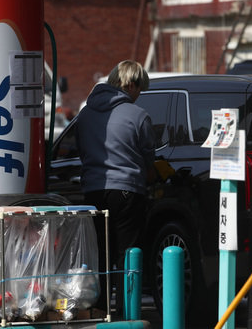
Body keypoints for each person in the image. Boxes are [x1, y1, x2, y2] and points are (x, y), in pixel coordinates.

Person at [75, 60, 156, 317]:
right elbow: (148, 158)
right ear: (130, 84)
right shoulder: (138, 115)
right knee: (126, 252)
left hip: (93, 191)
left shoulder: (85, 114)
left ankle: (99, 308)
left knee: (100, 251)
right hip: (127, 190)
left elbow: (79, 150)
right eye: (139, 89)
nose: (138, 95)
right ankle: (125, 310)